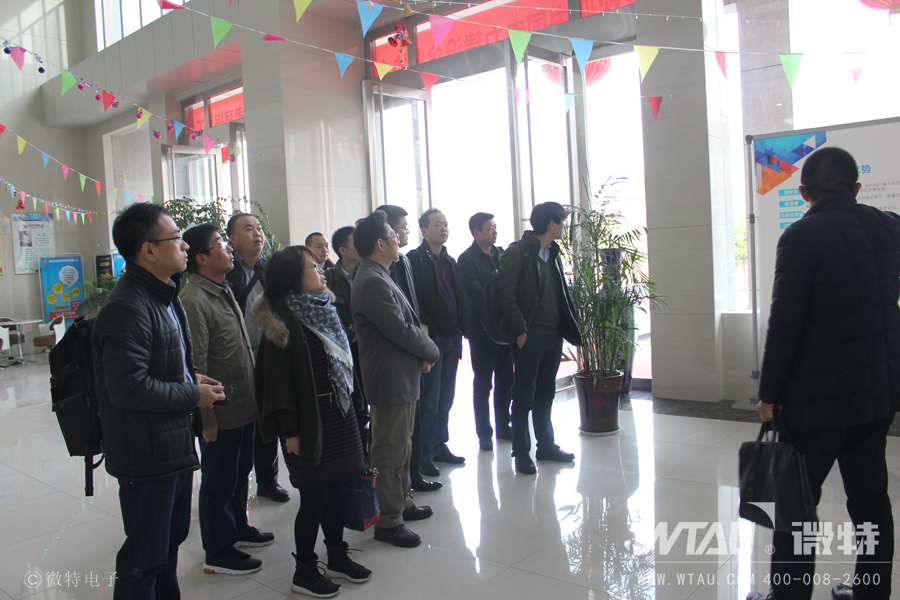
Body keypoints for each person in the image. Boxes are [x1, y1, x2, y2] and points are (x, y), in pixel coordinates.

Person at [747, 147, 899, 600]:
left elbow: (785, 325)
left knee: (795, 507)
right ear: (857, 188)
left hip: (814, 404)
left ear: (803, 193)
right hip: (875, 396)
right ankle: (871, 593)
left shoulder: (800, 236)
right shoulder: (890, 228)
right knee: (871, 500)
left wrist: (768, 394)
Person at [93, 203, 224, 599]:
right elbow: (128, 388)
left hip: (170, 445)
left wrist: (191, 377)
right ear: (148, 250)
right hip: (145, 455)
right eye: (176, 239)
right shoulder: (127, 306)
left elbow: (164, 364)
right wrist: (193, 394)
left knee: (166, 548)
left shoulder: (164, 295)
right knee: (144, 558)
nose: (185, 246)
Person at [253, 245, 371, 598]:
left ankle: (337, 555)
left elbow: (346, 365)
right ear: (292, 278)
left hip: (339, 416)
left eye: (320, 266)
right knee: (314, 498)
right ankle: (304, 570)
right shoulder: (281, 321)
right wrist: (290, 431)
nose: (321, 271)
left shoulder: (324, 309)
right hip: (308, 426)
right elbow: (277, 385)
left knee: (336, 493)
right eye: (312, 267)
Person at [180, 224, 275, 576]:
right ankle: (218, 551)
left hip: (243, 404)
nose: (228, 249)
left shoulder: (222, 289)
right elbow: (197, 365)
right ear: (201, 258)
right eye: (221, 244)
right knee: (218, 481)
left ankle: (238, 527)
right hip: (220, 410)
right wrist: (207, 419)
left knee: (239, 473)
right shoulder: (194, 299)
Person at [351, 209, 440, 548]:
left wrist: (420, 355)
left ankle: (401, 502)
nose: (398, 240)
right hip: (389, 379)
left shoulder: (380, 272)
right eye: (393, 236)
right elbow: (399, 329)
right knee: (388, 452)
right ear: (380, 243)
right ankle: (388, 521)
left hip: (402, 375)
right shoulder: (371, 280)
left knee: (402, 446)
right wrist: (430, 350)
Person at [497, 201, 581, 475]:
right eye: (562, 222)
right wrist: (520, 332)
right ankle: (521, 453)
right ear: (551, 224)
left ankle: (545, 446)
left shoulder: (553, 253)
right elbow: (506, 296)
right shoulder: (517, 252)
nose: (564, 227)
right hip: (529, 337)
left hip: (552, 336)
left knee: (546, 394)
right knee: (523, 396)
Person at [225, 213, 290, 503]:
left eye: (259, 228)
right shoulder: (226, 271)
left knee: (268, 417)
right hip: (238, 359)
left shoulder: (269, 269)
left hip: (268, 356)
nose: (257, 234)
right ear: (232, 239)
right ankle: (236, 487)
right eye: (248, 229)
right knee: (244, 422)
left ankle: (268, 481)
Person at [381, 204, 443, 492]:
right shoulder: (375, 271)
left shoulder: (403, 261)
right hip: (394, 358)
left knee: (416, 418)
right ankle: (399, 487)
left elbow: (413, 307)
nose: (406, 232)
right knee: (396, 432)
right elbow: (395, 322)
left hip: (414, 347)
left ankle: (415, 473)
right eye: (402, 228)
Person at [406, 208, 467, 474]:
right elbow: (413, 301)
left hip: (453, 336)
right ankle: (425, 453)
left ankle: (440, 445)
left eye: (445, 224)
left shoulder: (449, 260)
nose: (443, 229)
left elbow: (458, 296)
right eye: (437, 224)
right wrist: (426, 333)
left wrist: (462, 326)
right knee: (429, 401)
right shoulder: (415, 259)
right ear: (423, 230)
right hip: (433, 338)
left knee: (446, 398)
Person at [457, 212, 513, 451]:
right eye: (489, 228)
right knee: (483, 384)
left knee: (506, 382)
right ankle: (484, 434)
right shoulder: (466, 259)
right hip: (481, 331)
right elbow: (474, 293)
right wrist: (502, 300)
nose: (494, 231)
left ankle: (504, 427)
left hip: (504, 330)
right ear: (476, 232)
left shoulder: (500, 254)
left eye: (495, 227)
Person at [324, 226, 370, 454]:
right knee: (355, 408)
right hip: (345, 354)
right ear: (342, 250)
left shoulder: (370, 273)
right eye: (355, 242)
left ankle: (371, 457)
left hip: (369, 351)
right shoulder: (329, 278)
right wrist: (347, 330)